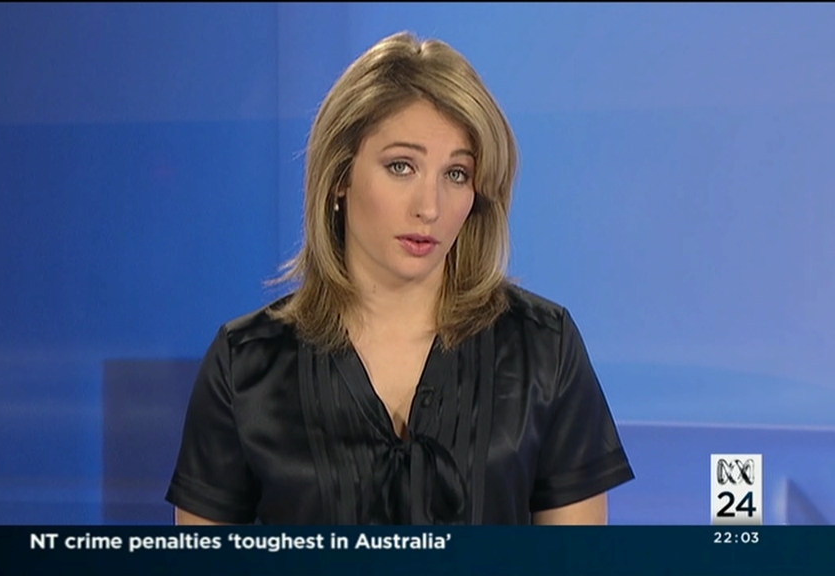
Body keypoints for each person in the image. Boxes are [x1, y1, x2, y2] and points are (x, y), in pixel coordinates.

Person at [166, 31, 634, 525]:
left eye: (456, 174)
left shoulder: (543, 349)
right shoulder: (245, 366)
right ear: (340, 176)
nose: (429, 207)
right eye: (401, 166)